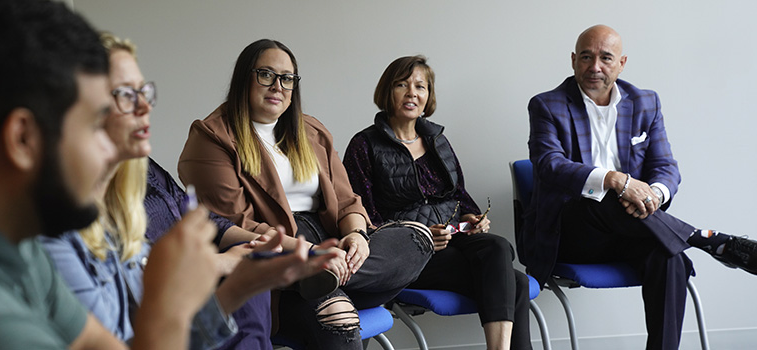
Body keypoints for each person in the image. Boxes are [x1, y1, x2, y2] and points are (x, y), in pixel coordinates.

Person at [40, 32, 337, 350]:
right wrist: (218, 265)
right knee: (330, 311)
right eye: (124, 94)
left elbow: (206, 219)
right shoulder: (56, 237)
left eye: (144, 92)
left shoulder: (139, 184)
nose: (144, 106)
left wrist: (240, 283)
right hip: (185, 280)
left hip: (193, 283)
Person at [0, 1, 220, 348]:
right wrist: (166, 310)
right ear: (22, 139)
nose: (111, 151)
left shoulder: (18, 245)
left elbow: (90, 342)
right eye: (96, 125)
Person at [178, 39, 434, 349]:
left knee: (417, 238)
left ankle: (322, 277)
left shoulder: (311, 130)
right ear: (245, 78)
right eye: (266, 75)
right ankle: (307, 275)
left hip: (333, 247)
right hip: (276, 256)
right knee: (337, 315)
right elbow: (239, 225)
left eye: (287, 78)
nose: (278, 86)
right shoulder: (212, 137)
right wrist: (310, 255)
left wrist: (356, 237)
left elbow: (345, 201)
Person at [524, 24, 757, 350]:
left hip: (631, 228)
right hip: (571, 233)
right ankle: (703, 239)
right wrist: (615, 180)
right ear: (574, 60)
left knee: (669, 257)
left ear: (622, 63)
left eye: (606, 58)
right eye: (587, 57)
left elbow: (665, 167)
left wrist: (653, 195)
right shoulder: (547, 105)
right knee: (600, 196)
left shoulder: (645, 103)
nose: (595, 67)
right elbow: (549, 165)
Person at [343, 55, 532, 350]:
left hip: (455, 243)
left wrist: (472, 218)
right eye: (402, 84)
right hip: (409, 255)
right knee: (515, 282)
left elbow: (459, 196)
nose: (412, 93)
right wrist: (419, 233)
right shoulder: (364, 146)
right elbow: (362, 216)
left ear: (428, 96)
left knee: (497, 247)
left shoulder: (437, 140)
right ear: (386, 91)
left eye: (420, 86)